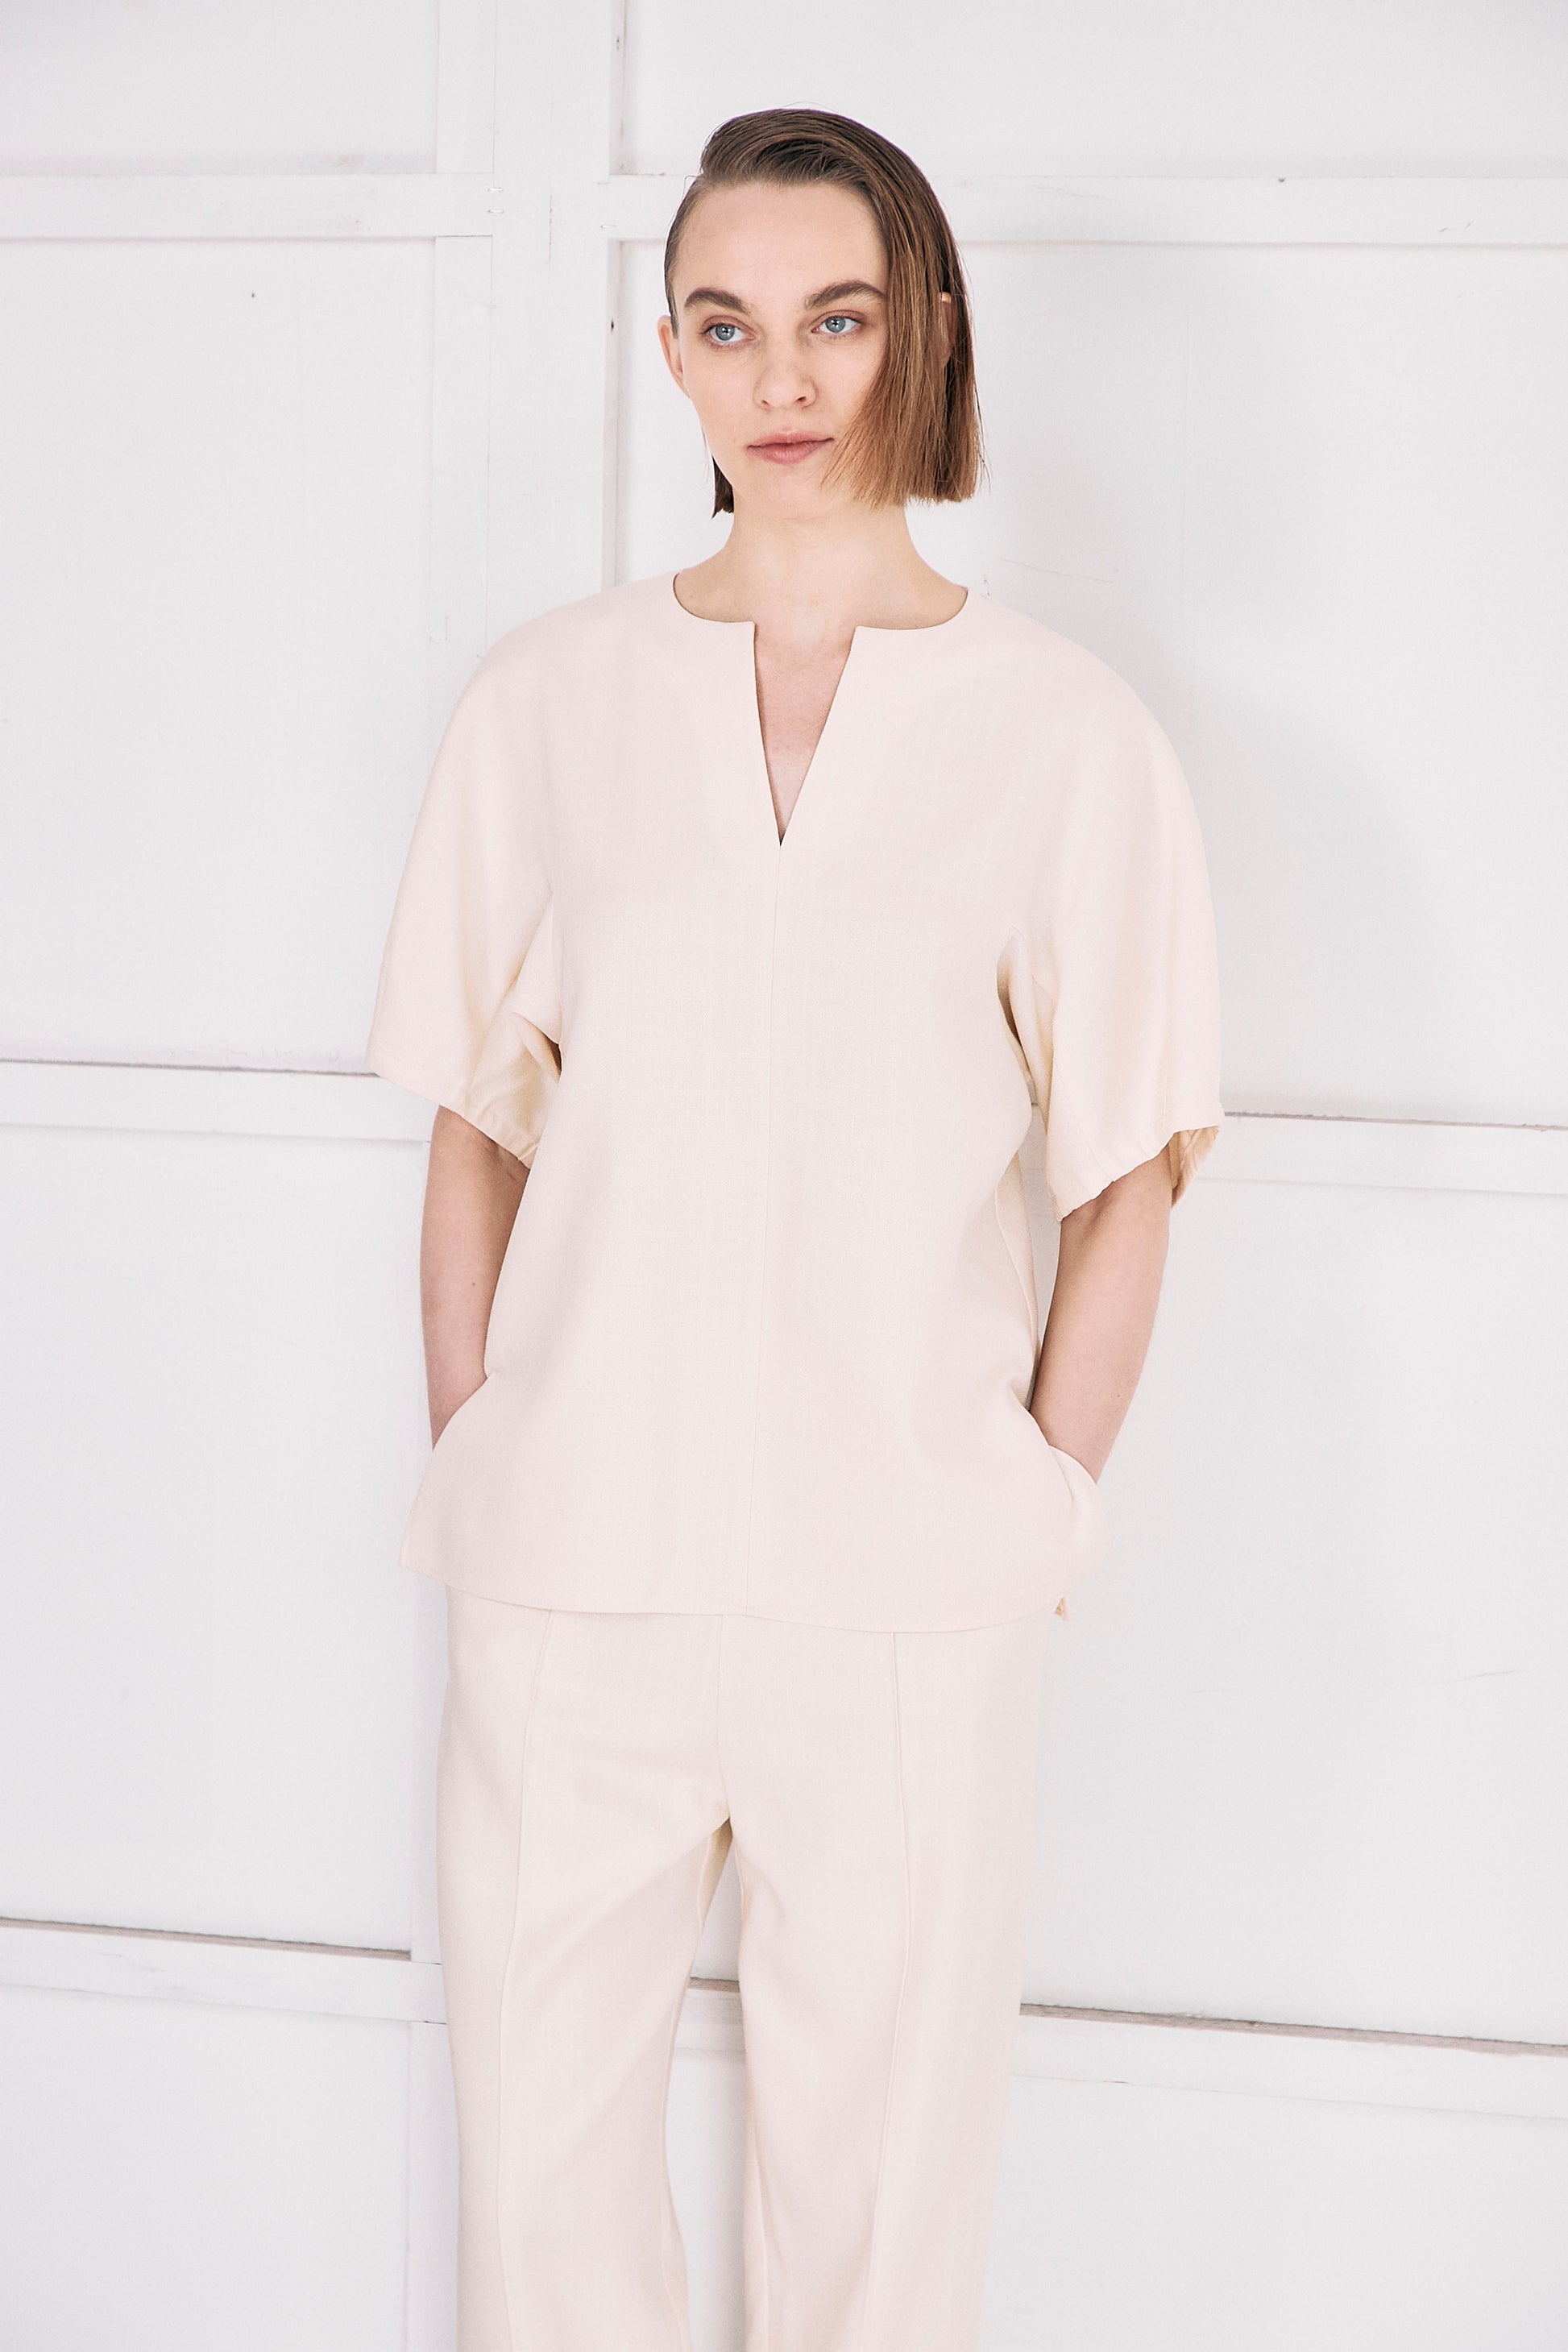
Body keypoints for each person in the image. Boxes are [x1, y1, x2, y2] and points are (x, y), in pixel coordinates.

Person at [365, 105, 1223, 2352]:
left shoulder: (1062, 736)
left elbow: (1127, 1171)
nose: (784, 375)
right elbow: (476, 1124)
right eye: (727, 323)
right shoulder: (545, 702)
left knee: (880, 2223)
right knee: (538, 2204)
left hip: (910, 1589)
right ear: (667, 353)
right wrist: (481, 1442)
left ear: (922, 328)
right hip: (575, 1565)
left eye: (835, 317)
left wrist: (1031, 1503)